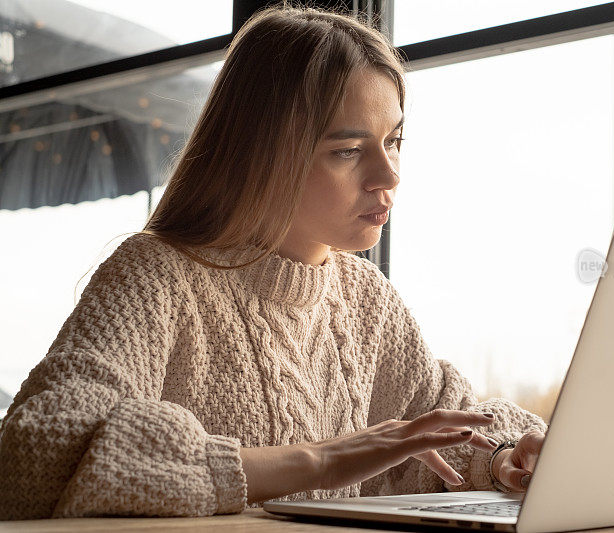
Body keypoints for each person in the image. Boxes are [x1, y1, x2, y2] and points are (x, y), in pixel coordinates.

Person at [0, 2, 548, 521]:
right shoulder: (156, 275)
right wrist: (320, 461)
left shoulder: (366, 299)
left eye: (395, 139)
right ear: (265, 151)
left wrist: (505, 458)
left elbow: (439, 423)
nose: (390, 174)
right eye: (349, 150)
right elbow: (36, 452)